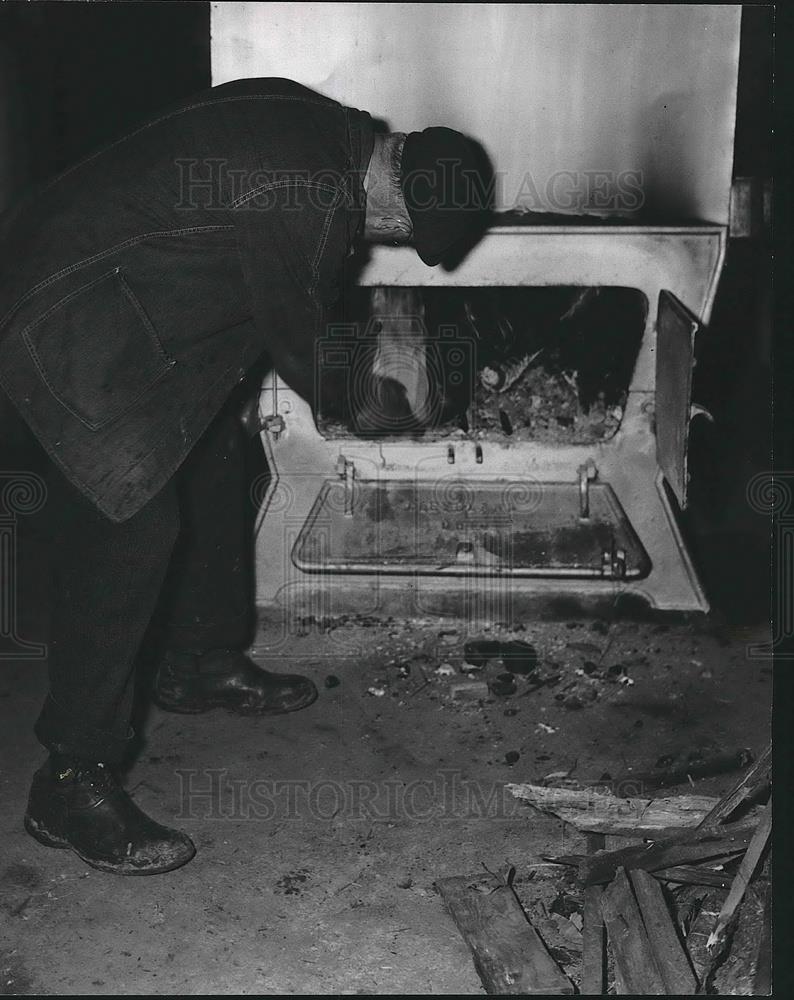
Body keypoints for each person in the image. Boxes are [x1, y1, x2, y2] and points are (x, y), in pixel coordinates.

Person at [0, 77, 491, 874]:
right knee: (129, 521)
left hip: (120, 300)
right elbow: (315, 360)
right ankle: (70, 778)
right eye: (397, 233)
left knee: (216, 451)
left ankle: (196, 662)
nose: (384, 238)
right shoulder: (312, 194)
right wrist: (406, 403)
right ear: (397, 204)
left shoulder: (321, 130)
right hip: (65, 311)